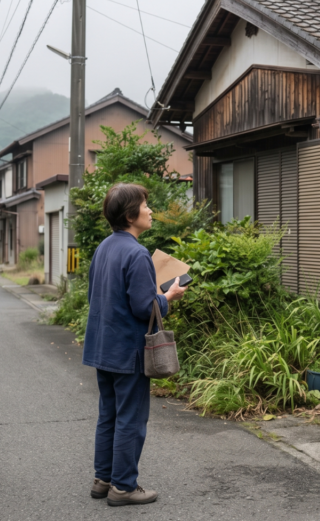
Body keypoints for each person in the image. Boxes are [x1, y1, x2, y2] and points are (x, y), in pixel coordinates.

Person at [83, 183, 186, 507]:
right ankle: (124, 487)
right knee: (131, 419)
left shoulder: (104, 248)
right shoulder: (137, 253)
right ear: (131, 215)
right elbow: (145, 307)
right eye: (146, 205)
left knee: (109, 415)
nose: (150, 210)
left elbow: (95, 296)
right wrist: (168, 296)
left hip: (102, 346)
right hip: (128, 350)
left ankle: (103, 480)